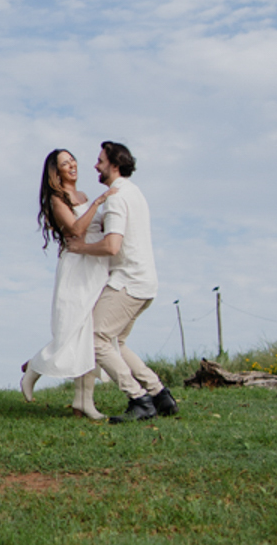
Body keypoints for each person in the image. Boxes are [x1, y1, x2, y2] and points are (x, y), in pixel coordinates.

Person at [61, 140, 178, 422]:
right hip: (146, 283)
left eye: (100, 161)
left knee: (95, 337)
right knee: (116, 343)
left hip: (128, 283)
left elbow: (112, 246)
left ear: (114, 165)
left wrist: (79, 249)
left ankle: (139, 399)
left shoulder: (116, 198)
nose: (95, 166)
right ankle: (160, 394)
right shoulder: (134, 193)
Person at [19, 149, 112, 420]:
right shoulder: (58, 199)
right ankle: (33, 369)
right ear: (55, 172)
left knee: (89, 334)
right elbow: (75, 230)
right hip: (76, 268)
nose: (71, 165)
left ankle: (84, 402)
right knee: (72, 330)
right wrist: (98, 203)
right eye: (64, 163)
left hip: (96, 266)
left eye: (72, 160)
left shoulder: (82, 196)